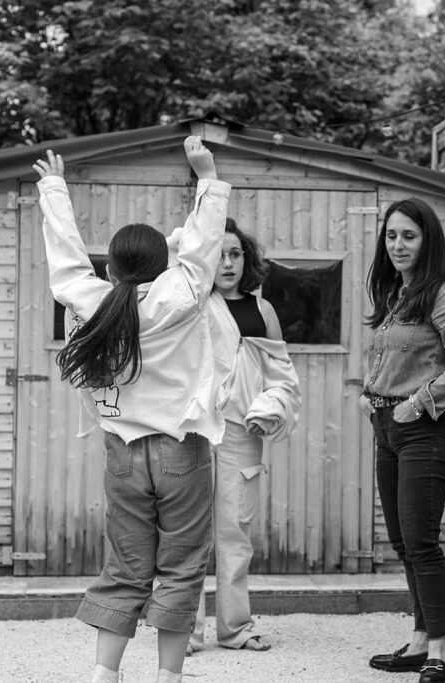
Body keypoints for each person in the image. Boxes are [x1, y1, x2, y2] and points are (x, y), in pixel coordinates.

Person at [32, 136, 230, 683]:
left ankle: (104, 674)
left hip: (121, 451)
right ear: (163, 266)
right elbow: (203, 242)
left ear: (112, 268)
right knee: (182, 566)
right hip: (180, 450)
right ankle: (168, 677)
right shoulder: (182, 295)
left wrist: (54, 188)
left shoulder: (91, 301)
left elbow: (67, 261)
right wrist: (206, 176)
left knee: (125, 568)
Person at [361, 198, 445, 683]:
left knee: (422, 542)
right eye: (391, 236)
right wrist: (371, 394)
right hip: (388, 429)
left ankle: (441, 655)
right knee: (403, 542)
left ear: (428, 239)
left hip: (425, 431)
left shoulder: (441, 295)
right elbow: (393, 358)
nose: (397, 245)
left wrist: (419, 401)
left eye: (408, 236)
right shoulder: (396, 295)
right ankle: (418, 641)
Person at [186, 218, 301, 654]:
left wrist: (268, 409)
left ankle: (235, 629)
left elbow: (282, 378)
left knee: (235, 531)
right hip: (195, 431)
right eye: (220, 253)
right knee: (190, 530)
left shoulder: (262, 310)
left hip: (242, 432)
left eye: (236, 254)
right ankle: (187, 630)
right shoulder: (193, 304)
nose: (228, 262)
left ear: (246, 259)